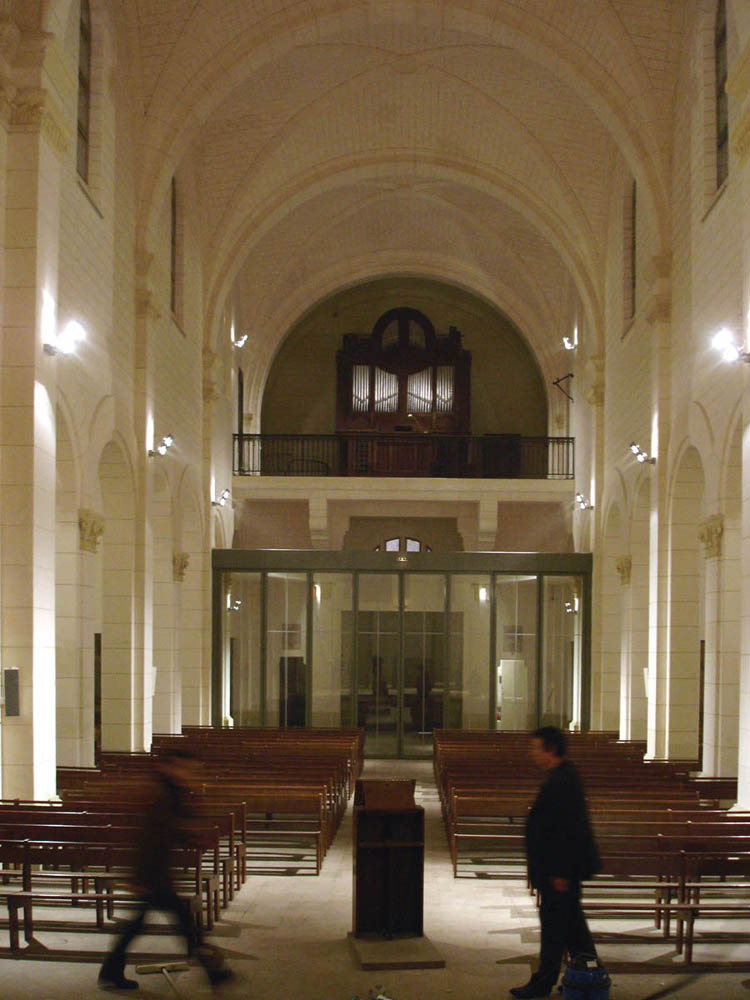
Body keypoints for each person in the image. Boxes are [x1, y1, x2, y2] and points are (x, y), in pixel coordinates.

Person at [98, 751, 233, 991]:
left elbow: (168, 829)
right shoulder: (159, 794)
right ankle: (212, 971)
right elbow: (149, 837)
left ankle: (111, 970)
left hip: (155, 873)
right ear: (169, 767)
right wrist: (140, 878)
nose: (188, 774)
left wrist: (193, 839)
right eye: (184, 768)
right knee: (183, 923)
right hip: (152, 874)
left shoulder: (168, 792)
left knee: (141, 925)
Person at [510, 726, 600, 999]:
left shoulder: (562, 782)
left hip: (558, 873)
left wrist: (560, 872)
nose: (533, 754)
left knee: (554, 931)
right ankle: (591, 977)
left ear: (550, 750)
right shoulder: (562, 776)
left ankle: (543, 983)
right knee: (574, 930)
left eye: (536, 748)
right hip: (557, 871)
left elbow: (567, 832)